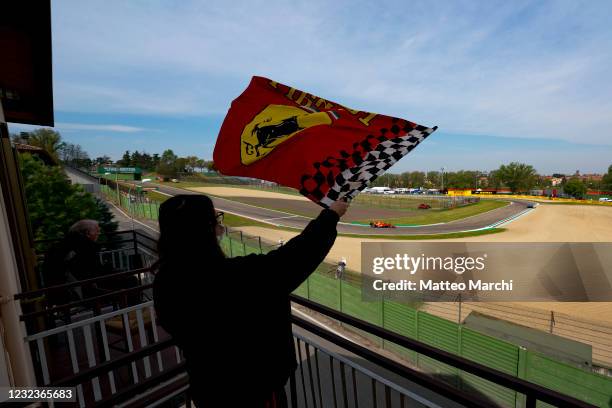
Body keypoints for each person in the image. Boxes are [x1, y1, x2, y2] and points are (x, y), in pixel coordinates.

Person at [153, 194, 349, 407]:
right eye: (215, 220)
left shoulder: (165, 280)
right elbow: (293, 259)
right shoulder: (232, 277)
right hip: (254, 392)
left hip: (207, 388)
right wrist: (331, 215)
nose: (220, 227)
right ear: (204, 230)